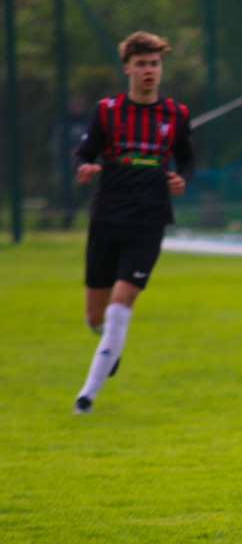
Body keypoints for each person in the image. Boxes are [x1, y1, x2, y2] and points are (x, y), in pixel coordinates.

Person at [72, 31, 194, 414]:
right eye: (141, 63)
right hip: (107, 218)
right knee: (95, 316)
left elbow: (186, 159)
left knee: (121, 303)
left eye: (154, 64)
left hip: (149, 221)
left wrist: (181, 178)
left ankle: (86, 396)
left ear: (161, 68)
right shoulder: (107, 110)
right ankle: (110, 345)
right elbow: (83, 151)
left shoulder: (176, 114)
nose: (149, 71)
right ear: (127, 67)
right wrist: (85, 167)